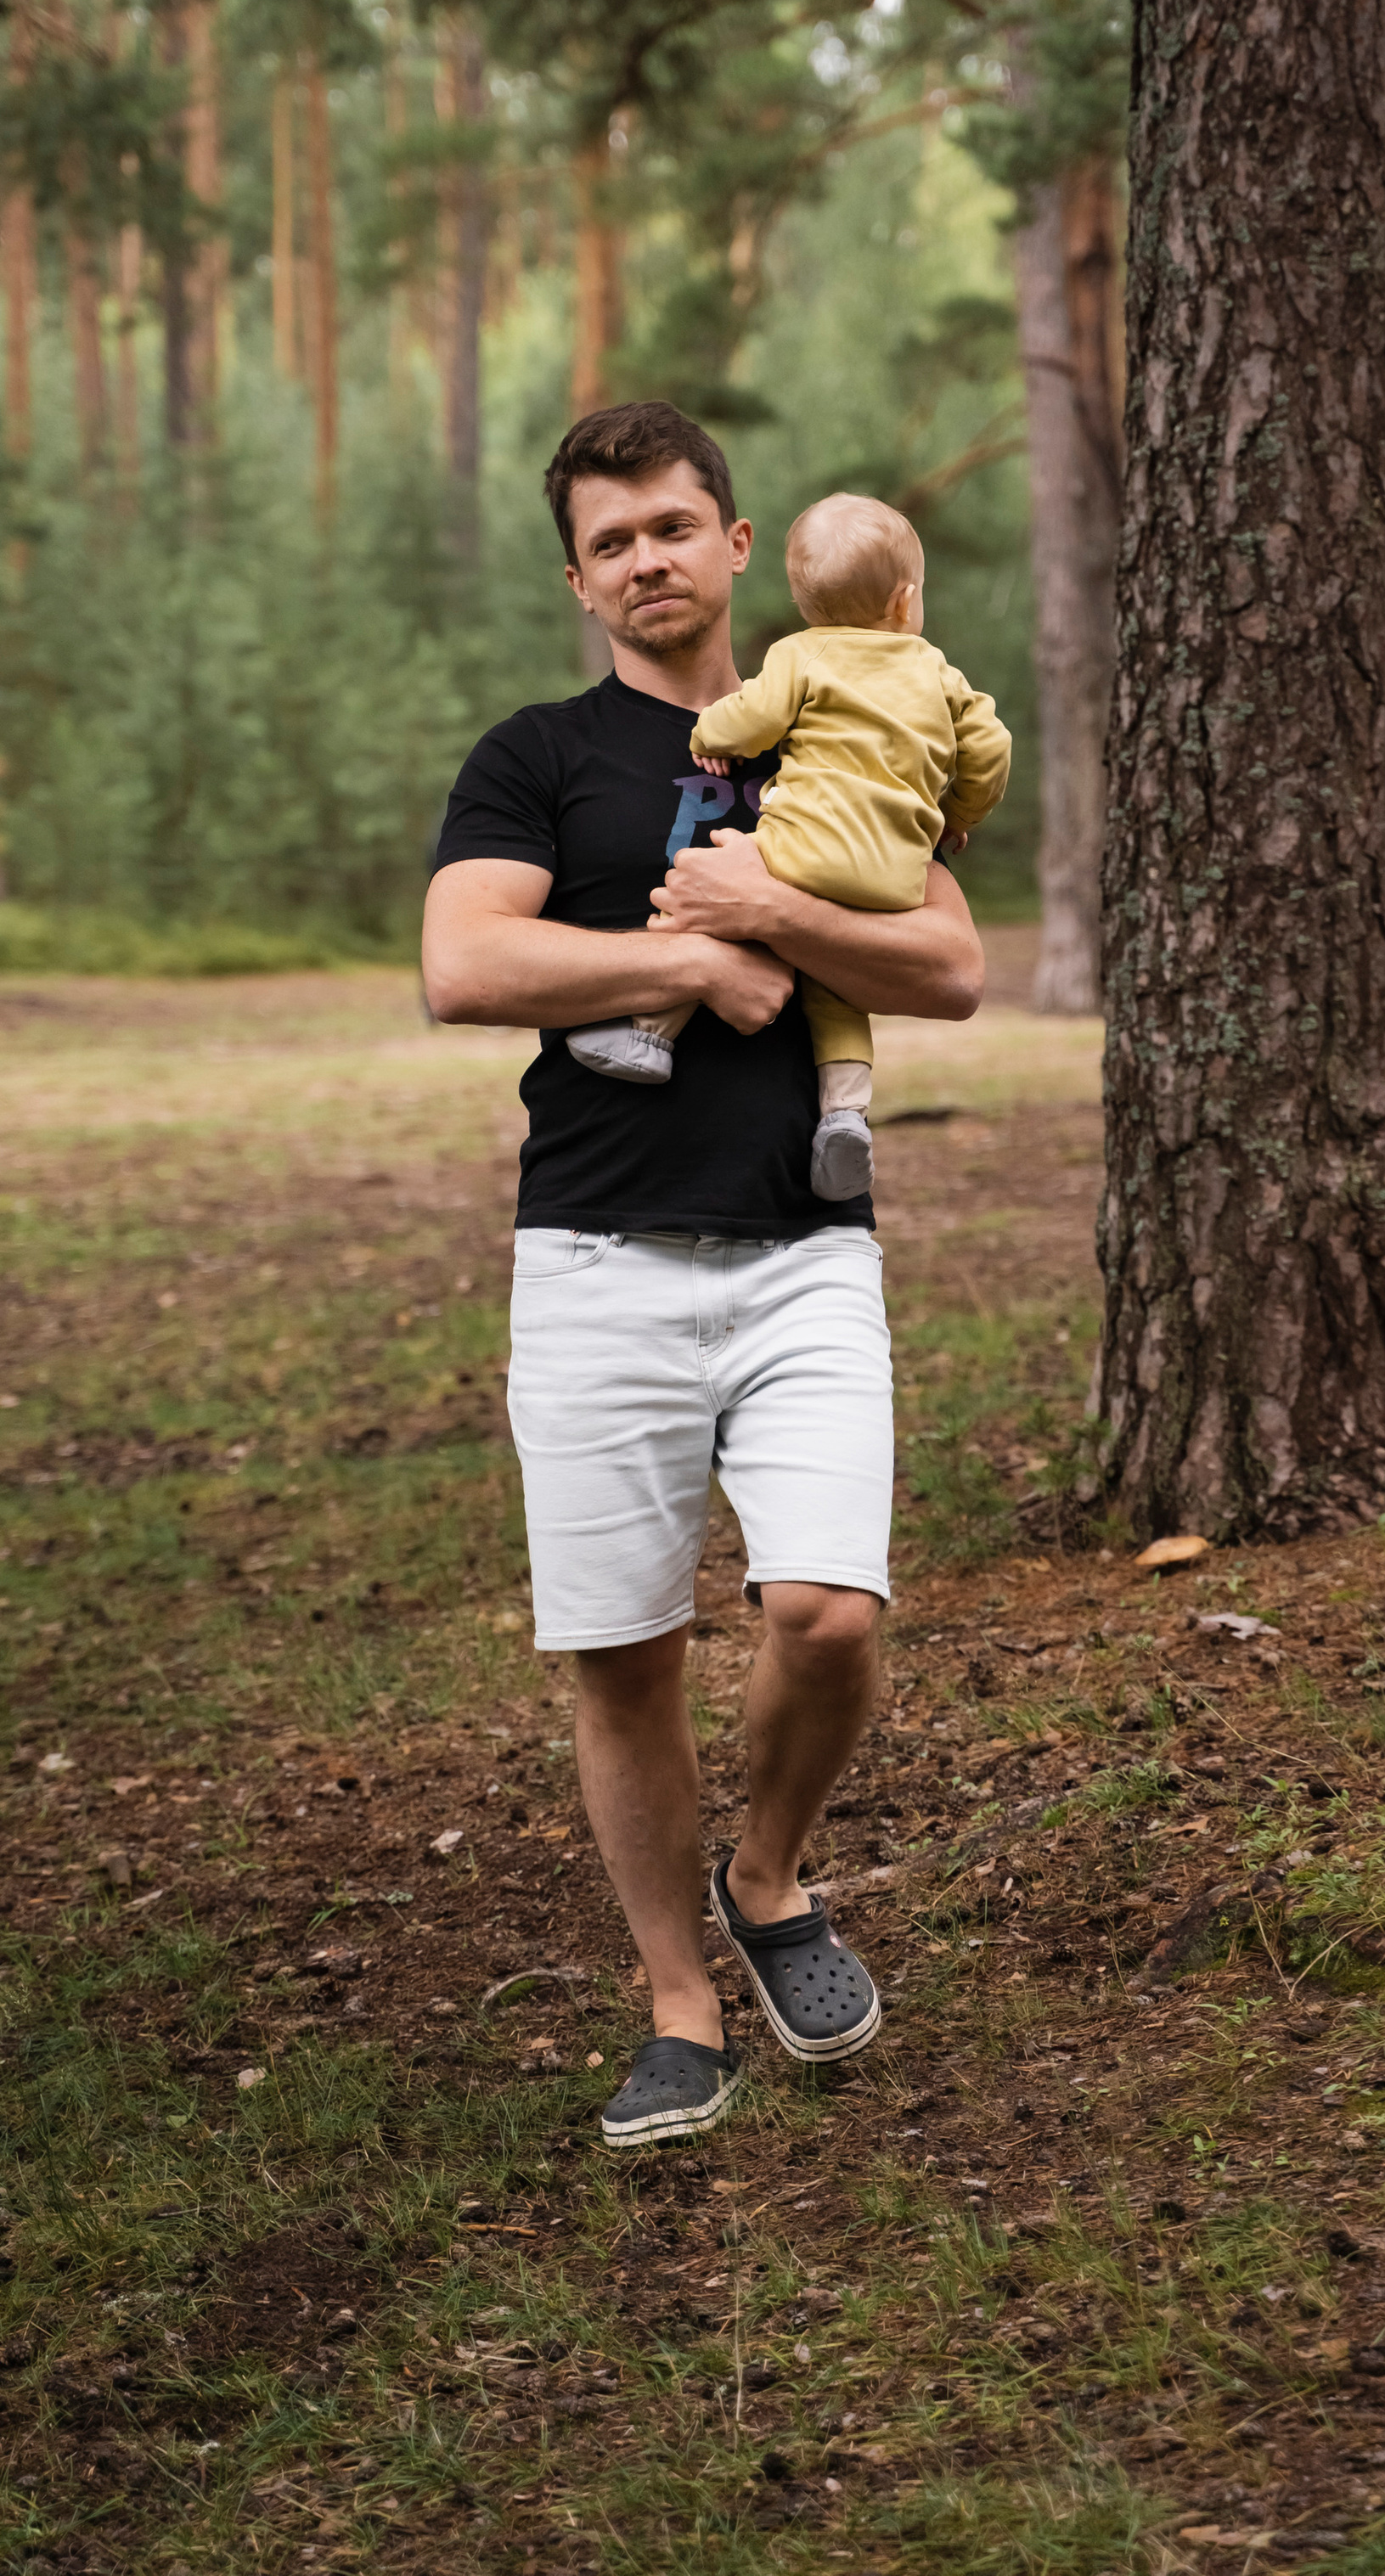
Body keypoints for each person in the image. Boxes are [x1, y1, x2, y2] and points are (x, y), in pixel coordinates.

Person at [420, 399, 984, 2149]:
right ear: (579, 579)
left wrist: (765, 928)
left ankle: (767, 1874)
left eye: (674, 523)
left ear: (738, 546)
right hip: (588, 1257)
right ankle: (678, 2002)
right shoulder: (537, 758)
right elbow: (462, 963)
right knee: (624, 1654)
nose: (647, 557)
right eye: (611, 539)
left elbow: (951, 962)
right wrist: (688, 972)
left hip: (805, 1253)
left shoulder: (850, 703)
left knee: (826, 1616)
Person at [563, 491, 1011, 1208]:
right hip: (893, 874)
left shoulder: (801, 654)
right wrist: (957, 814)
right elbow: (991, 748)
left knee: (712, 897)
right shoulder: (939, 674)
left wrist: (708, 735)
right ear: (905, 601)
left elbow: (754, 718)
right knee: (833, 987)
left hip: (801, 851)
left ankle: (649, 1035)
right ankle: (844, 1113)